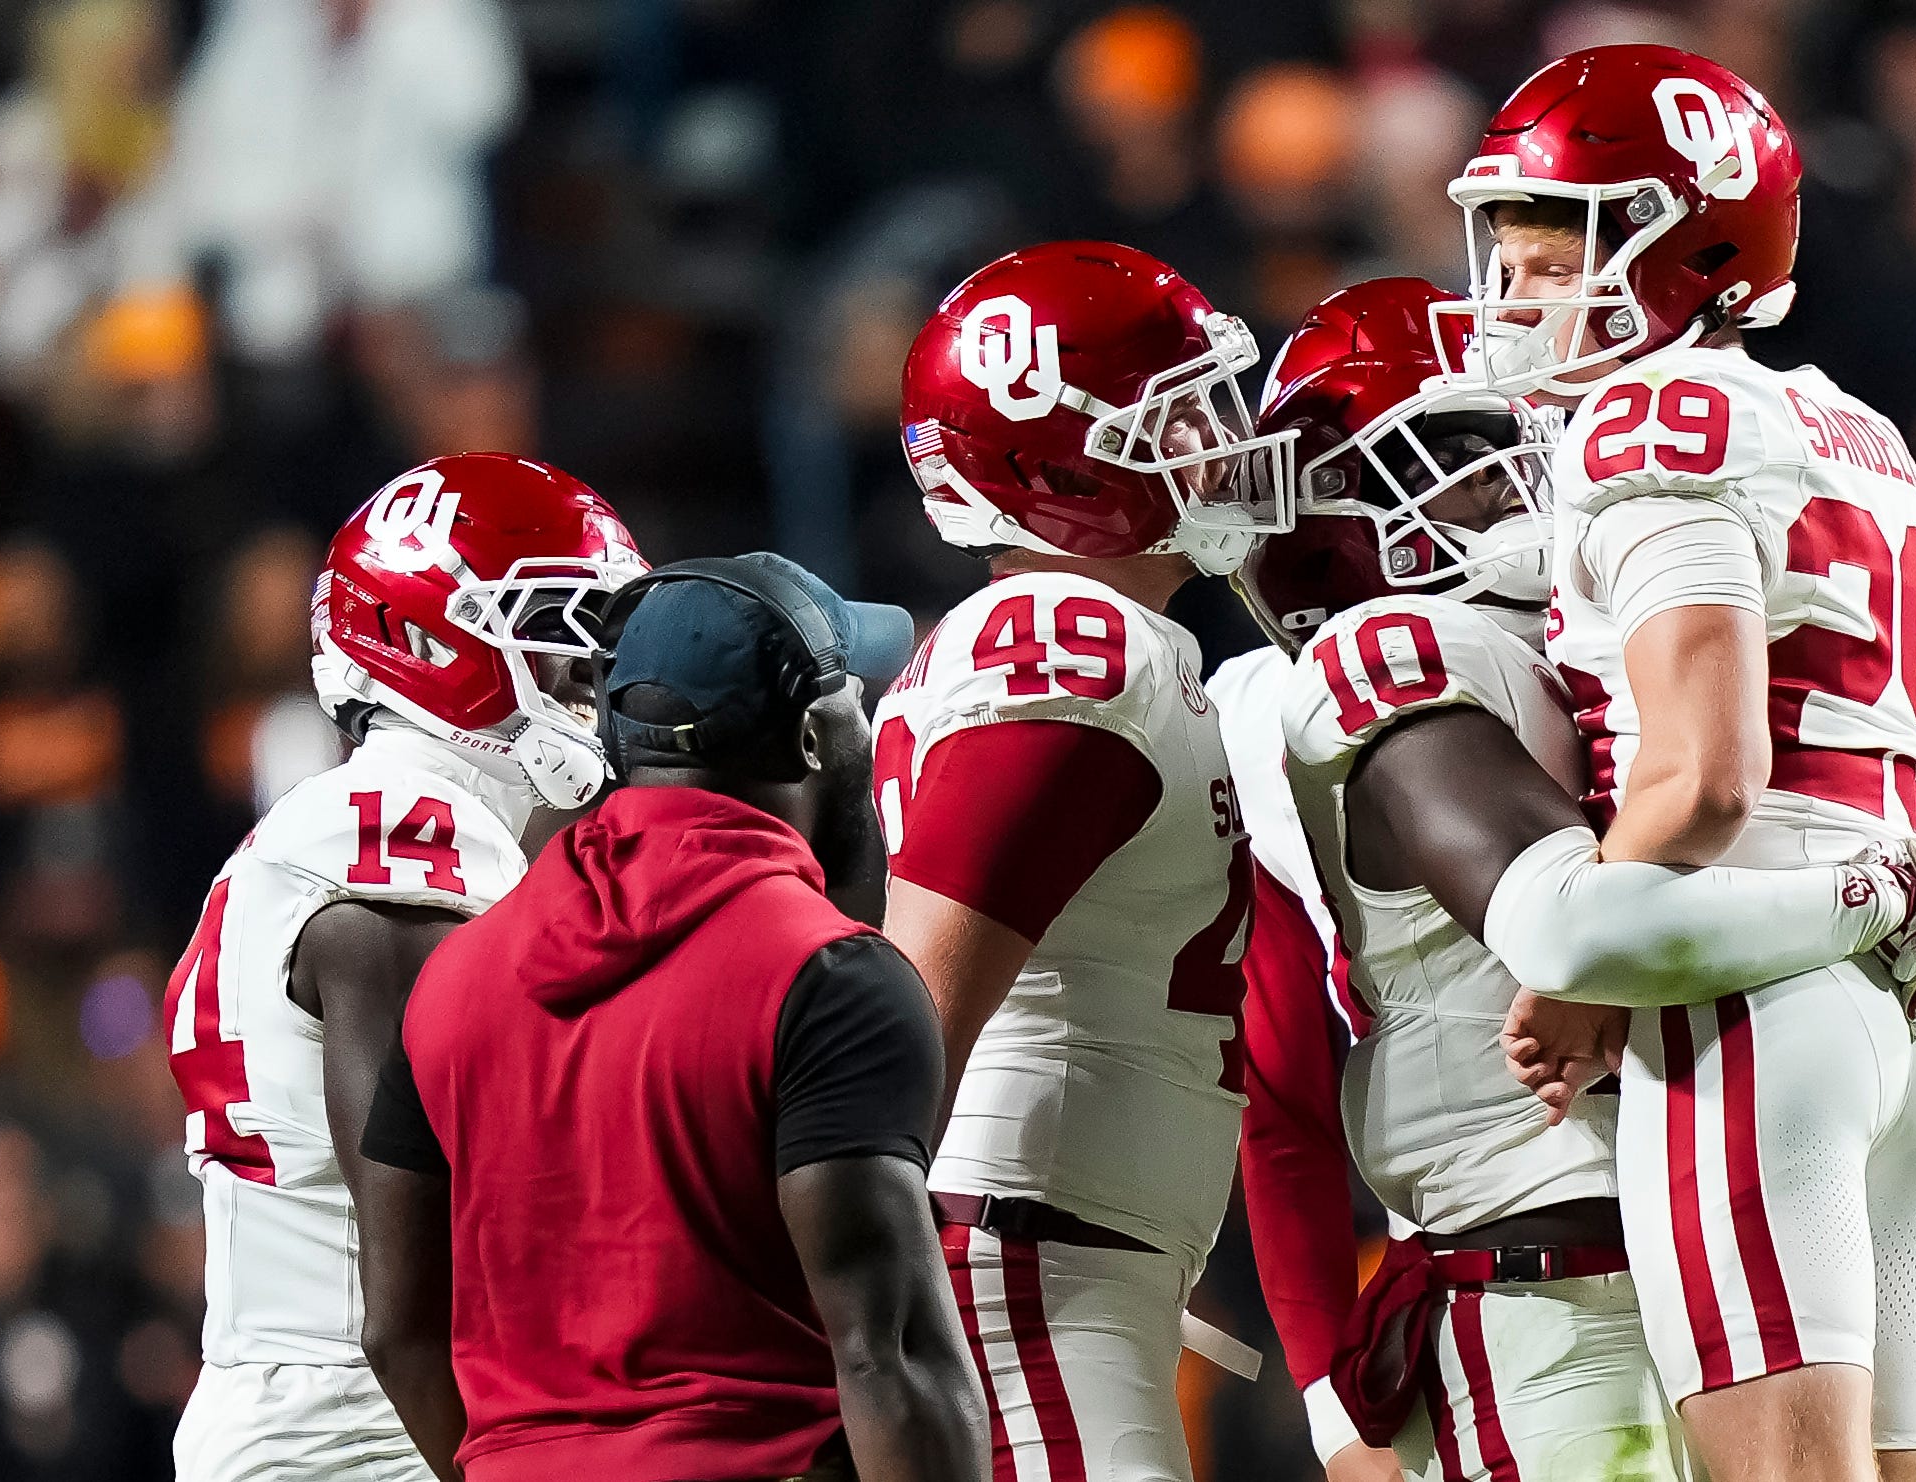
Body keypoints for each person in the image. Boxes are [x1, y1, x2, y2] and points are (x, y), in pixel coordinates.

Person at [1216, 277, 1916, 1482]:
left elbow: (1774, 806)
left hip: (1721, 1225)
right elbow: (1283, 1087)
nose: (1521, 482)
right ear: (1328, 500)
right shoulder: (1370, 666)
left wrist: (1908, 863)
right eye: (1464, 457)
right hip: (1537, 1274)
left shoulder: (1610, 619)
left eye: (1521, 444)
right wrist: (1890, 896)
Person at [1442, 43, 1916, 1482]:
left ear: (1678, 243)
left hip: (1747, 995)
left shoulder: (1650, 417)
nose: (1509, 291)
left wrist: (1578, 957)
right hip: (1909, 1015)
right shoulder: (1850, 426)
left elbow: (1703, 775)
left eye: (1551, 243)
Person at [355, 555, 990, 1482]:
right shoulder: (828, 977)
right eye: (856, 695)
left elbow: (397, 1327)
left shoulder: (456, 973)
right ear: (818, 736)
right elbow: (887, 1355)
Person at [877, 240, 1294, 1479]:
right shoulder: (1070, 639)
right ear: (1065, 461)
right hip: (1019, 1255)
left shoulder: (1111, 643)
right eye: (1181, 417)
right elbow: (911, 1018)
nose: (1221, 445)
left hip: (1058, 1250)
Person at [163, 453, 647, 1482]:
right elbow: (429, 1264)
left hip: (322, 1415)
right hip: (368, 1434)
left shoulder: (350, 827)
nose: (586, 674)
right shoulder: (399, 836)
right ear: (428, 635)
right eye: (558, 629)